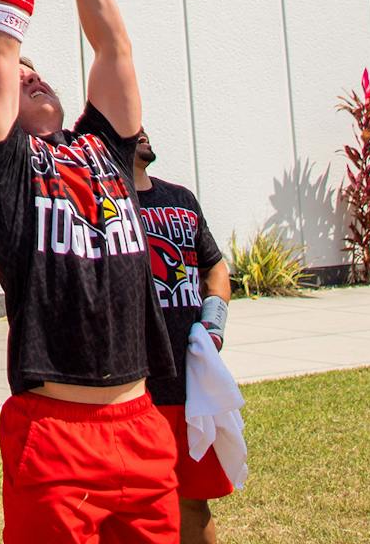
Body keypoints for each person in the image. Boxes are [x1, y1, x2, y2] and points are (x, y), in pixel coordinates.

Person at [0, 0, 178, 543]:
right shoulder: (5, 172)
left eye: (38, 73)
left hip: (141, 425)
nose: (30, 76)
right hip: (55, 433)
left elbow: (114, 45)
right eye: (17, 80)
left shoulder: (103, 147)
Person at [129, 134, 235, 544]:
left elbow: (215, 268)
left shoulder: (181, 199)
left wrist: (213, 327)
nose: (141, 128)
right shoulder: (104, 205)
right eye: (129, 123)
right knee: (139, 506)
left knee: (194, 500)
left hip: (189, 384)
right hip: (135, 385)